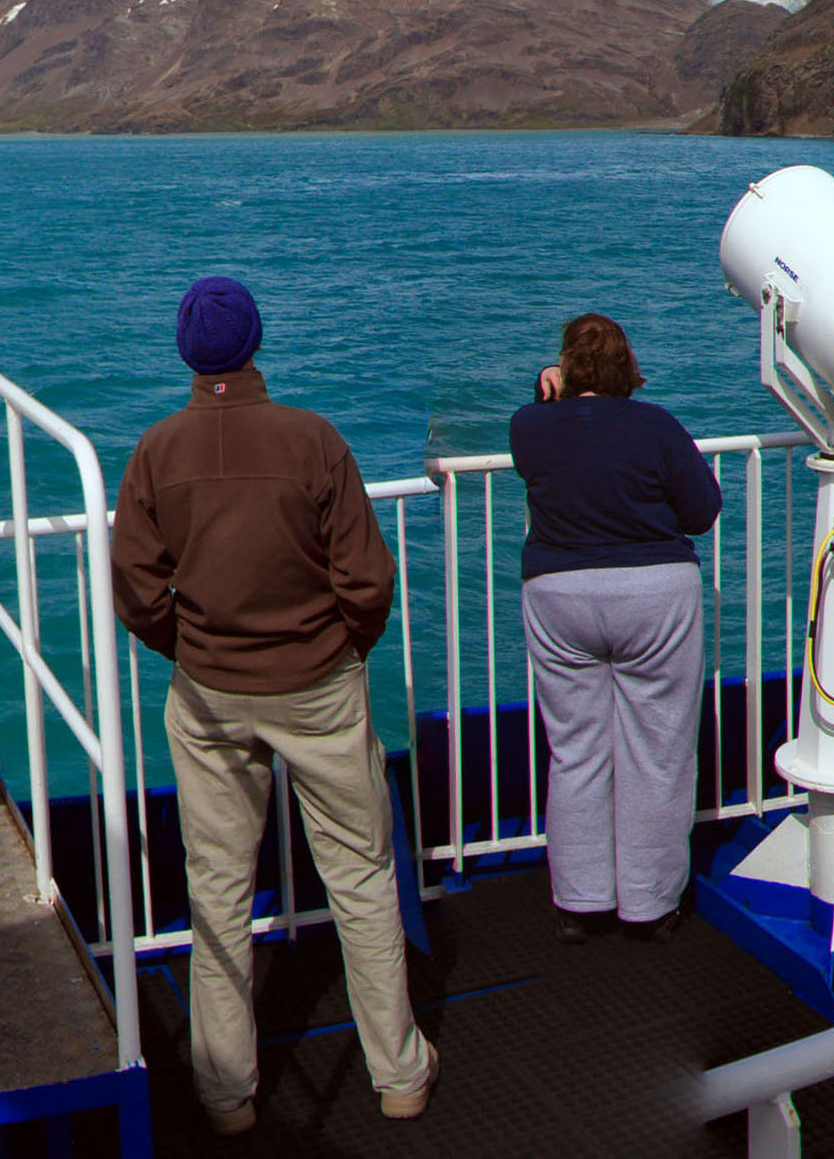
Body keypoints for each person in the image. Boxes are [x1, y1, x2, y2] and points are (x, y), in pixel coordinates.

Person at [108, 275, 433, 1130]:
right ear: (255, 342)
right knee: (362, 877)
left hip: (211, 693)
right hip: (319, 686)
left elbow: (136, 590)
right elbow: (367, 579)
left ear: (187, 352)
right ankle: (398, 1075)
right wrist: (342, 648)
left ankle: (225, 1094)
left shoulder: (154, 452)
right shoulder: (312, 440)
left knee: (217, 889)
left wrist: (191, 647)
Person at [511, 312, 720, 940]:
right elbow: (702, 511)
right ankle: (649, 906)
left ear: (567, 369)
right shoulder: (656, 427)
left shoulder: (531, 427)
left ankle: (580, 903)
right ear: (629, 367)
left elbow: (538, 436)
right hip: (653, 596)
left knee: (575, 750)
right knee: (657, 752)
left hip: (559, 597)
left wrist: (545, 387)